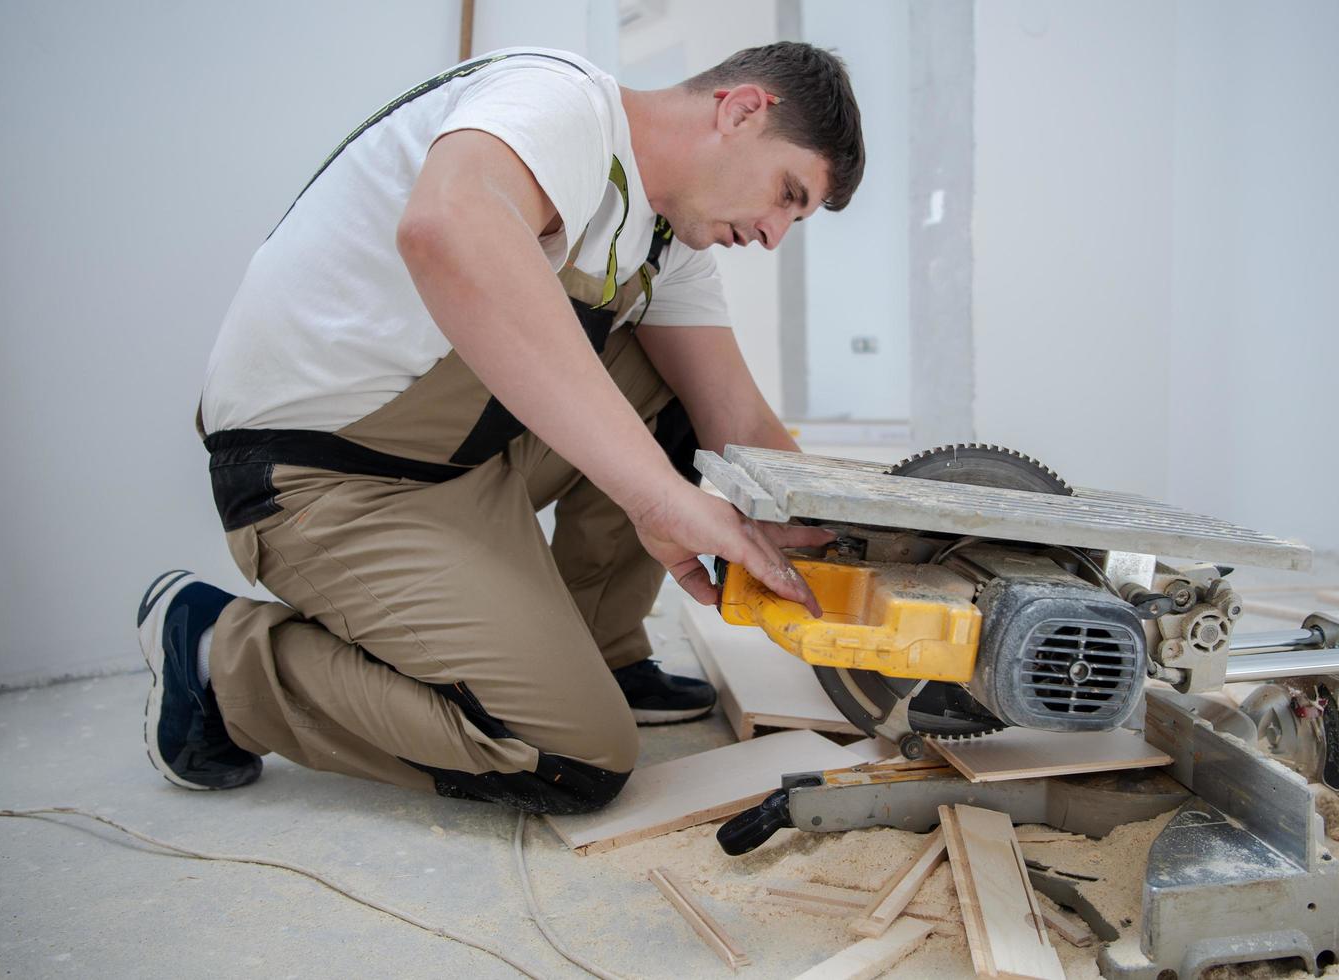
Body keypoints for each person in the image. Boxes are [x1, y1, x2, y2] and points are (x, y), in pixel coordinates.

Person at [137, 42, 864, 814]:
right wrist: (655, 496)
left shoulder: (663, 239)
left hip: (459, 454)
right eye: (787, 194)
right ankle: (220, 657)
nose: (774, 235)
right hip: (325, 475)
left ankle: (598, 653)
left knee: (681, 399)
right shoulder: (559, 100)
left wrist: (869, 555)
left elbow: (737, 421)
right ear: (742, 109)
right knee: (571, 758)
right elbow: (445, 228)